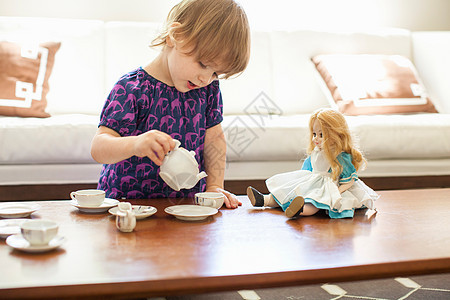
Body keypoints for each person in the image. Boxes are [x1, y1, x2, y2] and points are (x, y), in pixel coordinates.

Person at [90, 0, 250, 208]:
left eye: (215, 73)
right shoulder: (132, 88)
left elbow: (214, 140)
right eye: (202, 64)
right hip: (125, 206)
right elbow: (99, 147)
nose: (205, 78)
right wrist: (136, 144)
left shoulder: (208, 90)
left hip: (184, 208)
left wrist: (214, 186)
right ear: (176, 36)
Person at [247, 108, 379, 218]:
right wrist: (301, 181)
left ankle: (300, 209)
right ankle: (264, 200)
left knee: (315, 202)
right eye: (314, 133)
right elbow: (308, 169)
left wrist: (337, 191)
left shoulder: (340, 156)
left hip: (330, 186)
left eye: (321, 135)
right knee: (289, 190)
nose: (316, 138)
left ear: (337, 134)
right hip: (313, 181)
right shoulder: (316, 152)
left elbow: (349, 180)